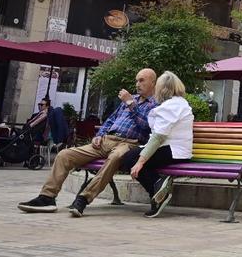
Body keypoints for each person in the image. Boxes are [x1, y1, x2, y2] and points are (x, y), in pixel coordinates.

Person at [18, 68, 158, 216]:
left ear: (153, 82)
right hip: (106, 140)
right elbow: (110, 120)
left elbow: (146, 125)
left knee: (115, 157)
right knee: (65, 155)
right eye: (136, 80)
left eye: (141, 80)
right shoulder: (130, 100)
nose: (137, 84)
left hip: (129, 143)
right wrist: (100, 134)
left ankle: (83, 199)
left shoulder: (155, 104)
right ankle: (47, 197)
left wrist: (130, 103)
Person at [123, 71, 194, 218]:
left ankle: (157, 192)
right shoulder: (178, 103)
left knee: (130, 159)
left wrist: (140, 162)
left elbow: (158, 137)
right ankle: (158, 188)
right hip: (174, 150)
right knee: (131, 157)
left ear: (163, 89)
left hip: (173, 152)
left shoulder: (172, 106)